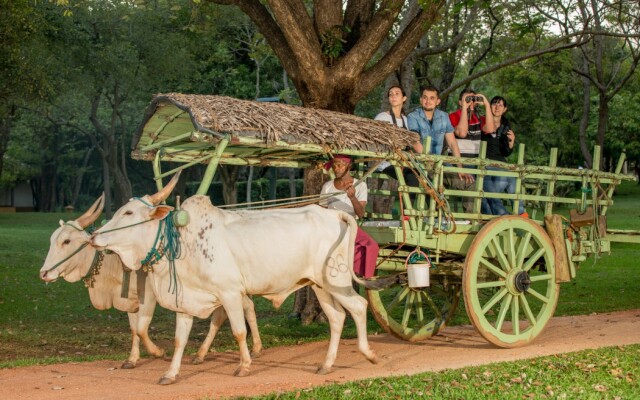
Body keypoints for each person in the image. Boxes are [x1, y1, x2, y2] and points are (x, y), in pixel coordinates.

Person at [407, 85, 474, 211]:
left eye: (432, 98)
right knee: (436, 190)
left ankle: (469, 219)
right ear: (421, 99)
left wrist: (460, 168)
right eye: (425, 98)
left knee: (469, 182)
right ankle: (438, 218)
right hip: (421, 165)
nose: (428, 101)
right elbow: (415, 142)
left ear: (438, 101)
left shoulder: (443, 116)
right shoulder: (413, 117)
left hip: (440, 165)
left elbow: (452, 143)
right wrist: (431, 161)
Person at [320, 155, 379, 278]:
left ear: (349, 166)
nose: (336, 168)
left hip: (349, 225)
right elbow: (322, 210)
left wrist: (352, 197)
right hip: (330, 226)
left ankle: (366, 277)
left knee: (371, 246)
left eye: (340, 165)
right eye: (334, 165)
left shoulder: (360, 185)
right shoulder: (328, 186)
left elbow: (361, 214)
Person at [373, 85, 423, 211]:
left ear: (404, 98)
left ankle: (421, 212)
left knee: (423, 177)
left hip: (404, 162)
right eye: (391, 94)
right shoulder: (382, 117)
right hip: (385, 163)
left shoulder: (407, 120)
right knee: (412, 174)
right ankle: (408, 213)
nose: (393, 96)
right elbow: (375, 142)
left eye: (397, 93)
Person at [482, 96, 526, 216]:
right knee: (487, 190)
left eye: (500, 105)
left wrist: (511, 143)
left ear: (504, 109)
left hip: (500, 164)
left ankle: (520, 212)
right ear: (489, 106)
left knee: (512, 177)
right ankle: (502, 214)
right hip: (486, 163)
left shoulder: (506, 126)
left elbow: (506, 152)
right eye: (494, 104)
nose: (496, 107)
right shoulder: (483, 121)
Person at [449, 88, 495, 157]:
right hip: (457, 160)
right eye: (467, 99)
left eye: (473, 99)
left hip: (475, 161)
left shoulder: (479, 118)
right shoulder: (453, 116)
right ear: (460, 103)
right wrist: (464, 108)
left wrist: (487, 105)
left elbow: (490, 129)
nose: (470, 102)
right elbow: (462, 133)